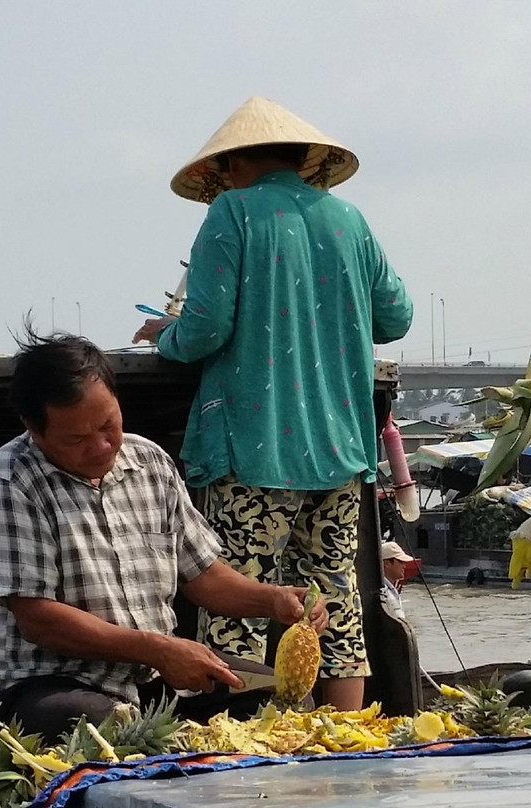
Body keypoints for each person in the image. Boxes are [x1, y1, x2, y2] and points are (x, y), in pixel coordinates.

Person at [133, 97, 413, 711]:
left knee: (242, 599)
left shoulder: (231, 212)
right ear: (303, 161)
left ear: (233, 165)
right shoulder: (350, 221)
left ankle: (239, 735)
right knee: (334, 598)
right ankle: (346, 731)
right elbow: (396, 316)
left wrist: (166, 335)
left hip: (255, 450)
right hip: (342, 447)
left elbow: (203, 328)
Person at [0, 329, 326, 741]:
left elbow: (205, 576)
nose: (102, 445)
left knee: (284, 702)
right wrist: (158, 648)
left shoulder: (150, 462)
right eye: (77, 439)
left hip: (151, 678)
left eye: (108, 424)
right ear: (35, 430)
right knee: (102, 725)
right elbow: (39, 620)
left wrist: (275, 600)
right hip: (48, 684)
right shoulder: (10, 478)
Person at [380, 540, 414, 620]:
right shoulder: (384, 593)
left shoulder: (390, 589)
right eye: (401, 562)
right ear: (387, 563)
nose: (404, 566)